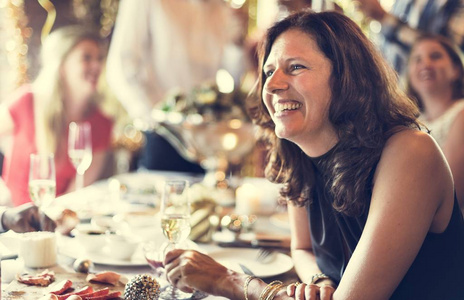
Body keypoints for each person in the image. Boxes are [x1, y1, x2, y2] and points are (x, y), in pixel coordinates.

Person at [162, 10, 464, 300]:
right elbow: (303, 248)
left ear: (347, 77)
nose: (273, 84)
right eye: (269, 71)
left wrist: (226, 280)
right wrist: (318, 279)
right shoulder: (302, 153)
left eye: (295, 67)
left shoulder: (410, 152)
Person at [106, 0, 248, 174]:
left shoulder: (221, 9)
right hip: (162, 136)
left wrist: (236, 44)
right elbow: (121, 66)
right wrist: (157, 120)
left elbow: (234, 78)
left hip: (207, 138)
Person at [0, 25, 113, 207]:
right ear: (61, 65)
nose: (97, 66)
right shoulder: (26, 102)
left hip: (57, 221)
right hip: (12, 220)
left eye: (100, 59)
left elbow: (77, 191)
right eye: (87, 57)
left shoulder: (102, 123)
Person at [406, 34, 464, 213]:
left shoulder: (461, 114)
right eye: (417, 59)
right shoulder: (411, 123)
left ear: (456, 69)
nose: (425, 64)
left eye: (435, 56)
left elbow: (455, 192)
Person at [357, 0, 464, 77]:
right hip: (403, 98)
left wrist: (384, 18)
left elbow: (450, 52)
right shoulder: (399, 4)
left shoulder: (456, 4)